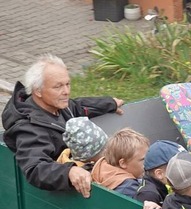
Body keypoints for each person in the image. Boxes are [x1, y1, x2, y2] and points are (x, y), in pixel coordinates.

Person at [1, 54, 124, 198]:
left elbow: (77, 107)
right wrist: (68, 172)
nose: (66, 91)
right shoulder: (29, 128)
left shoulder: (56, 104)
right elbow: (36, 168)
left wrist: (109, 104)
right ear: (38, 90)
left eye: (67, 84)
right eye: (58, 86)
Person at [91, 128, 149, 197]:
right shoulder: (129, 189)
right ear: (123, 163)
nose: (148, 163)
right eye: (143, 160)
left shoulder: (102, 170)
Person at [134, 140, 186, 209]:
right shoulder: (148, 194)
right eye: (179, 167)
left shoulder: (167, 183)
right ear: (159, 174)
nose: (185, 170)